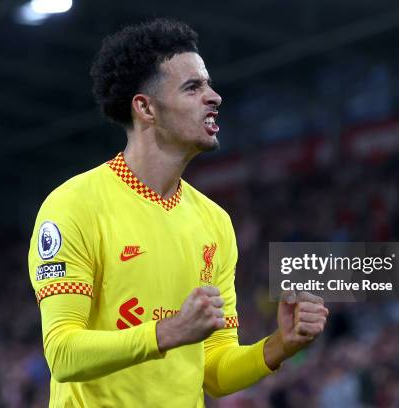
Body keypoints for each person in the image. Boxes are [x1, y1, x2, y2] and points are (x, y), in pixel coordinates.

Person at [27, 18, 328, 407]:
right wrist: (167, 332)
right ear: (145, 108)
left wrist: (279, 346)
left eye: (209, 84)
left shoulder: (215, 222)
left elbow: (214, 372)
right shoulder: (74, 205)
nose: (214, 96)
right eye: (193, 87)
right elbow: (63, 353)